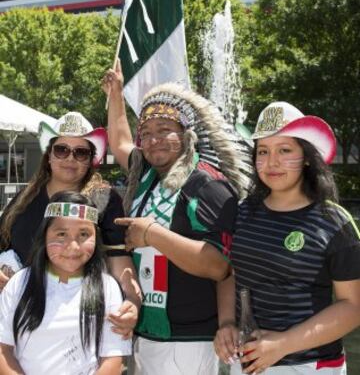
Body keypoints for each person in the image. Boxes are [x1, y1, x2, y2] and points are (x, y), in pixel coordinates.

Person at [102, 60, 252, 375]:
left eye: (164, 130)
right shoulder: (146, 175)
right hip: (146, 330)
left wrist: (152, 234)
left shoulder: (207, 183)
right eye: (147, 133)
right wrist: (115, 94)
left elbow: (218, 266)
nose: (154, 140)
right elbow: (119, 142)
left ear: (185, 135)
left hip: (188, 338)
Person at [214, 101, 360, 374]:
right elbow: (230, 273)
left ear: (306, 156)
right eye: (263, 151)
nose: (272, 162)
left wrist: (282, 344)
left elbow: (352, 307)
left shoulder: (335, 223)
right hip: (248, 362)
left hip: (310, 365)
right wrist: (226, 323)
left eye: (285, 150)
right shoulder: (242, 212)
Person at [0, 111, 141, 337]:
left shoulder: (104, 199)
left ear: (91, 159)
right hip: (19, 317)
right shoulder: (24, 198)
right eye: (62, 149)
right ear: (49, 155)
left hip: (77, 321)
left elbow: (120, 262)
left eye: (81, 152)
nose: (70, 159)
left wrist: (133, 301)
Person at [0, 191, 132, 374]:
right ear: (44, 235)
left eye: (84, 234)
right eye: (61, 234)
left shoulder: (107, 288)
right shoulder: (19, 283)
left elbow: (112, 359)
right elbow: (3, 351)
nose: (73, 247)